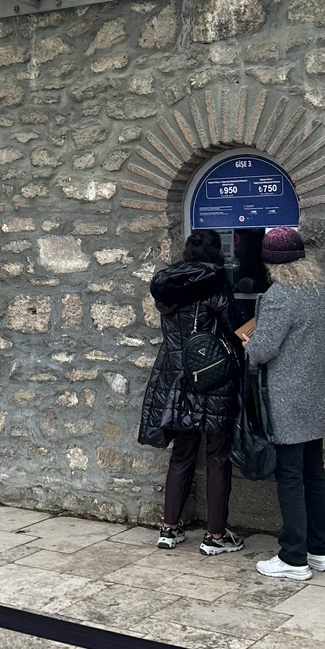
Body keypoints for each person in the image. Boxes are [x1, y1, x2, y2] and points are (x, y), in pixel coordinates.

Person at [138, 229, 246, 555]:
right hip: (212, 379)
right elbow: (237, 327)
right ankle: (215, 536)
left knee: (182, 453)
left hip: (175, 378)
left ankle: (169, 528)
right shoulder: (215, 284)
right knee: (217, 456)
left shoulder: (167, 287)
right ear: (217, 253)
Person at [243, 227, 325, 582]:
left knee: (291, 478)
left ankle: (293, 556)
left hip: (287, 399)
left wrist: (247, 346)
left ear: (270, 262)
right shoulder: (319, 292)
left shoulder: (280, 296)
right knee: (314, 474)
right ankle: (319, 549)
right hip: (314, 396)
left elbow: (263, 350)